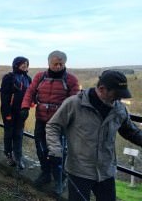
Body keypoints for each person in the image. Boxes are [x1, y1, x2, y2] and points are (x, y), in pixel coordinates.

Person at [46, 70, 142, 201]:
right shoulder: (74, 104)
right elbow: (53, 126)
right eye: (116, 94)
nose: (119, 99)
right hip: (79, 171)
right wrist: (55, 150)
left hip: (106, 172)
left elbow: (130, 131)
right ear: (102, 89)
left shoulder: (120, 109)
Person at [21, 50, 79, 194]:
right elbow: (30, 92)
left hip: (60, 123)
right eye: (55, 64)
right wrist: (25, 107)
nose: (58, 66)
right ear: (49, 63)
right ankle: (45, 173)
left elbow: (75, 101)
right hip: (41, 119)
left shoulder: (71, 80)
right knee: (41, 148)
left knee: (59, 152)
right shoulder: (40, 77)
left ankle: (61, 179)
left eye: (61, 64)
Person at [0, 56, 31, 170]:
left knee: (18, 134)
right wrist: (7, 112)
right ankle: (8, 154)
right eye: (23, 63)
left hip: (21, 112)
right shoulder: (9, 77)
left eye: (26, 64)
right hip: (9, 111)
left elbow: (31, 95)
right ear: (16, 64)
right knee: (9, 134)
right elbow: (4, 96)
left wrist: (27, 108)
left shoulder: (28, 79)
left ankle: (18, 157)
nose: (25, 66)